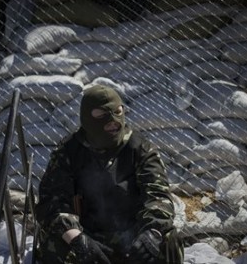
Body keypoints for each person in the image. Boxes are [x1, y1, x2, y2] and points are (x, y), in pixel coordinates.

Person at [35, 84, 184, 263]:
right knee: (54, 241)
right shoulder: (69, 151)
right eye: (102, 115)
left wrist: (151, 233)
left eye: (117, 112)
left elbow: (158, 196)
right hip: (87, 237)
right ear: (87, 118)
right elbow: (52, 202)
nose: (113, 121)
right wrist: (76, 238)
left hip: (133, 238)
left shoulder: (139, 148)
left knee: (168, 239)